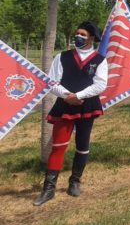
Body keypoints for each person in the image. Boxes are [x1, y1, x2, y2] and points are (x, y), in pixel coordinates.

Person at [33, 22, 108, 206]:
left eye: (82, 34)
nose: (78, 37)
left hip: (87, 106)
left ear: (91, 38)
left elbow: (100, 84)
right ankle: (48, 189)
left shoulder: (100, 60)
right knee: (58, 146)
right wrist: (68, 96)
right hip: (65, 106)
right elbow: (52, 82)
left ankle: (74, 182)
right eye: (77, 34)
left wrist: (79, 96)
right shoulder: (63, 57)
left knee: (82, 145)